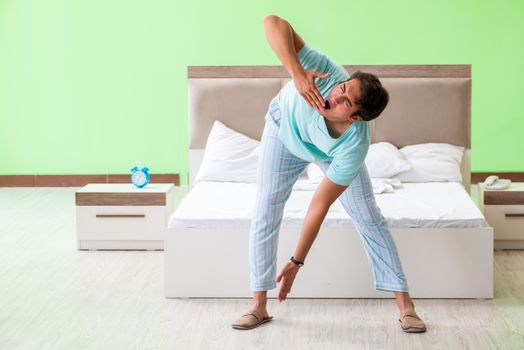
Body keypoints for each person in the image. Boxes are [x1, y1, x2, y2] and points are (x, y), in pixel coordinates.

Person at [231, 15, 427, 333]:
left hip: (326, 153)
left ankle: (406, 307)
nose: (335, 96)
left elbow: (319, 205)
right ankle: (258, 306)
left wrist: (296, 262)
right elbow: (272, 22)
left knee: (368, 214)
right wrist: (296, 74)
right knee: (266, 207)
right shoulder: (324, 73)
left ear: (356, 118)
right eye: (342, 88)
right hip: (283, 131)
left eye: (345, 101)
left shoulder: (353, 147)